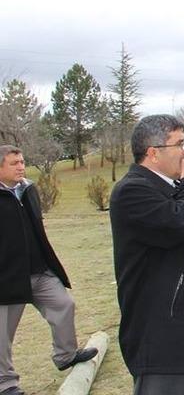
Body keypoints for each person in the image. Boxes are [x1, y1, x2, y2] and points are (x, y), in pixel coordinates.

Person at [110, 115, 184, 395]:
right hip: (162, 337)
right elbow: (177, 223)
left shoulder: (174, 188)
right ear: (153, 153)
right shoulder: (132, 190)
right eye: (180, 144)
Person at [0, 145, 98, 395]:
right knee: (1, 334)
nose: (21, 166)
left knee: (64, 305)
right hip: (7, 278)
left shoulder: (28, 189)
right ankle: (6, 384)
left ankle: (65, 355)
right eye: (14, 163)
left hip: (39, 271)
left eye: (22, 161)